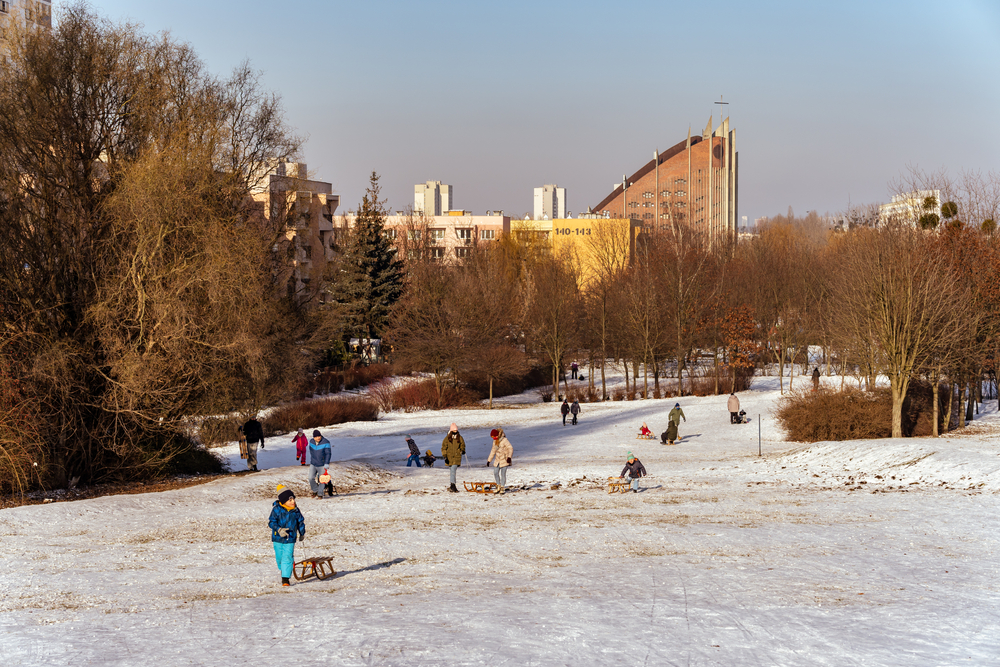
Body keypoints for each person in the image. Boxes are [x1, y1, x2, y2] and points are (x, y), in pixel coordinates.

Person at [268, 484, 305, 587]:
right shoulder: (276, 509)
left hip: (291, 538)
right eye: (290, 500)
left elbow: (300, 522)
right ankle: (283, 568)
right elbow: (271, 522)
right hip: (278, 538)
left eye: (293, 499)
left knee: (287, 557)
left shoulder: (295, 510)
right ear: (283, 501)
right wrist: (279, 530)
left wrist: (302, 533)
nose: (293, 502)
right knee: (279, 557)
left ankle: (285, 579)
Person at [486, 427, 513, 494]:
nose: (493, 438)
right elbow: (493, 451)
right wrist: (489, 460)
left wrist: (509, 457)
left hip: (505, 460)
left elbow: (510, 448)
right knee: (495, 472)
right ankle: (498, 485)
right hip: (497, 460)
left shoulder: (504, 440)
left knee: (503, 474)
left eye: (494, 436)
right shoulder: (494, 441)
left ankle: (502, 487)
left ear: (497, 435)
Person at [306, 429, 332, 499]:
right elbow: (311, 451)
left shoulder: (326, 442)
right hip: (313, 463)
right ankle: (315, 490)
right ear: (314, 437)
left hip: (322, 464)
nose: (318, 438)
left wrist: (326, 463)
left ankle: (320, 494)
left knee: (322, 480)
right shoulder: (311, 442)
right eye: (316, 436)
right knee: (310, 478)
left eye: (319, 436)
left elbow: (328, 454)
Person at [441, 423, 465, 493]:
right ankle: (452, 486)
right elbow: (443, 448)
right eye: (454, 431)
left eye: (456, 430)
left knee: (453, 471)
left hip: (457, 457)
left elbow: (462, 445)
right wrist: (445, 456)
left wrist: (462, 450)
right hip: (449, 457)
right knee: (451, 471)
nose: (455, 432)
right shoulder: (447, 439)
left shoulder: (460, 437)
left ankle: (453, 485)